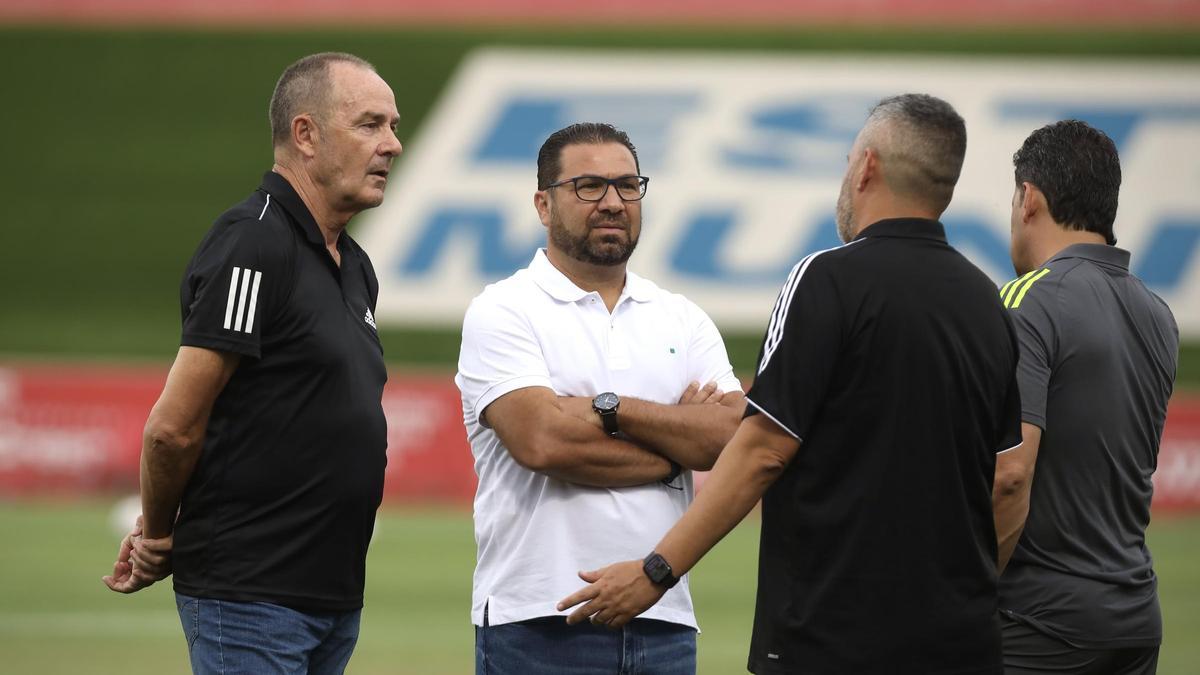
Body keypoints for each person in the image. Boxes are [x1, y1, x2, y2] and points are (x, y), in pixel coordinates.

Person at [558, 94, 1023, 674]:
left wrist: (657, 571)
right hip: (964, 646)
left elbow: (761, 451)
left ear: (868, 167)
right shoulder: (989, 304)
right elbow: (1010, 478)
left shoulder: (824, 280)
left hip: (830, 641)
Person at [101, 52, 403, 674]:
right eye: (370, 125)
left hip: (332, 596)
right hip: (250, 597)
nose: (393, 145)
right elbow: (172, 427)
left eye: (394, 126)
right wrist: (158, 535)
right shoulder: (255, 243)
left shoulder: (355, 266)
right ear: (305, 135)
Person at [455, 122, 746, 674]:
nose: (612, 202)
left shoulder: (682, 317)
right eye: (588, 186)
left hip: (663, 615)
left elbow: (731, 438)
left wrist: (610, 409)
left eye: (628, 185)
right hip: (539, 620)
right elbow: (545, 443)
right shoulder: (504, 310)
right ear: (544, 204)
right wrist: (674, 452)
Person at [991, 120, 1178, 675]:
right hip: (1134, 616)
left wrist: (968, 593)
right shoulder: (1156, 313)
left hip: (1040, 622)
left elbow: (1010, 474)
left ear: (1029, 199)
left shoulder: (1027, 299)